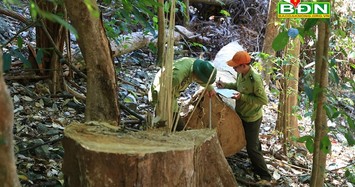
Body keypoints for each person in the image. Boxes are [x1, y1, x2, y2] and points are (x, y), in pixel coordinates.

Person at [216, 51, 272, 182]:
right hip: (242, 113)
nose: (234, 69)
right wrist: (225, 85)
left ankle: (265, 176)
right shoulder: (241, 74)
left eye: (235, 66)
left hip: (252, 118)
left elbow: (263, 100)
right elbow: (238, 86)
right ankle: (256, 166)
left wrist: (243, 97)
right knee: (251, 143)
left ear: (244, 65)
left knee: (252, 148)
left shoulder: (255, 79)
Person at [151, 57, 217, 130]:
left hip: (173, 94)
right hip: (163, 95)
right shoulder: (177, 76)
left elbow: (202, 79)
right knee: (174, 125)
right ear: (197, 76)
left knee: (176, 123)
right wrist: (162, 109)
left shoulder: (198, 67)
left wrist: (210, 88)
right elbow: (160, 92)